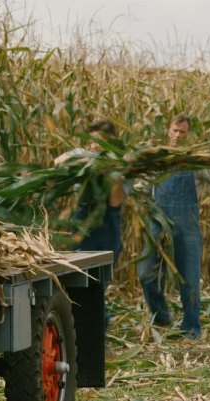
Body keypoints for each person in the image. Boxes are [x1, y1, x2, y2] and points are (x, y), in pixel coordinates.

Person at [137, 114, 210, 340]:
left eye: (182, 132)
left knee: (189, 279)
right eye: (174, 130)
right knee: (146, 273)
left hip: (186, 227)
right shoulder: (158, 160)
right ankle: (162, 317)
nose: (177, 135)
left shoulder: (196, 162)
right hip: (158, 223)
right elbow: (143, 188)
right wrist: (139, 193)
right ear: (168, 130)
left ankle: (191, 328)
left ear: (188, 135)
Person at [54, 119, 128, 329]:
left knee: (102, 275)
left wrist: (110, 171)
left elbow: (115, 201)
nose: (96, 146)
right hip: (83, 219)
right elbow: (58, 162)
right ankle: (92, 321)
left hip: (108, 220)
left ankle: (98, 322)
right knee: (81, 272)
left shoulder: (121, 163)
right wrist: (84, 162)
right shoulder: (79, 154)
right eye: (93, 141)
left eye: (102, 142)